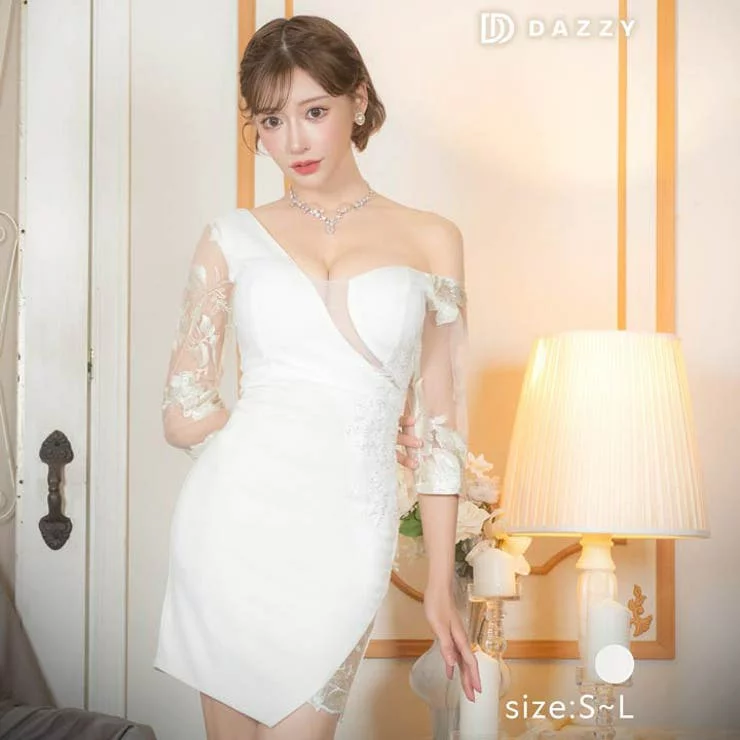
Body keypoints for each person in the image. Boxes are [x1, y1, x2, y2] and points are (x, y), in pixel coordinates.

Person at [153, 14, 482, 740]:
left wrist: (438, 586)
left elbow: (441, 429)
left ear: (357, 101)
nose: (293, 142)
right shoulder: (230, 237)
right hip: (231, 526)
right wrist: (285, 442)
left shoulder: (433, 238)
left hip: (347, 532)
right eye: (272, 121)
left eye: (314, 112)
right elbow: (182, 409)